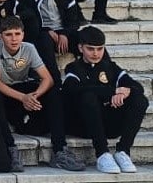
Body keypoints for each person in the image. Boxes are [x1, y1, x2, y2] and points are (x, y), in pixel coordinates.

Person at [0, 16, 85, 173]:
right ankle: (10, 149)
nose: (14, 39)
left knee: (54, 93)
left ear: (23, 35)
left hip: (24, 89)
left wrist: (34, 96)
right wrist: (23, 98)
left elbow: (48, 79)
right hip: (6, 92)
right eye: (8, 34)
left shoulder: (29, 48)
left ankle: (60, 150)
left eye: (17, 34)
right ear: (0, 36)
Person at [62, 26, 148, 173]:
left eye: (100, 49)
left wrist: (125, 92)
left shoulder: (110, 67)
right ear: (81, 48)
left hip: (109, 124)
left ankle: (123, 151)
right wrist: (112, 92)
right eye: (90, 49)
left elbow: (136, 86)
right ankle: (102, 154)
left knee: (140, 99)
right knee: (88, 96)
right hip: (84, 125)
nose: (96, 53)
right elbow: (72, 89)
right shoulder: (74, 68)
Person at [16, 0, 82, 84]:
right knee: (44, 40)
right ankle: (55, 80)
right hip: (42, 33)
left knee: (89, 37)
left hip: (64, 32)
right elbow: (28, 22)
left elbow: (74, 20)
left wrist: (64, 33)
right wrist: (46, 30)